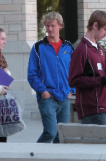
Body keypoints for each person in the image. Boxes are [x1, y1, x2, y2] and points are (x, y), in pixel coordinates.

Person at [27, 12, 75, 143]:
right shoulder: (38, 47)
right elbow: (32, 74)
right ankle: (35, 157)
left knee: (61, 135)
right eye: (47, 26)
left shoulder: (69, 47)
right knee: (50, 132)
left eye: (52, 26)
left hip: (64, 98)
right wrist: (43, 91)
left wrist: (71, 90)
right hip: (48, 98)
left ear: (60, 26)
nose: (49, 29)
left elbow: (76, 70)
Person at [69, 10, 106, 124]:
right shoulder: (81, 50)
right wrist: (103, 80)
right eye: (105, 29)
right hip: (90, 109)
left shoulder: (100, 50)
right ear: (95, 25)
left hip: (102, 107)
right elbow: (74, 80)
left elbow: (104, 74)